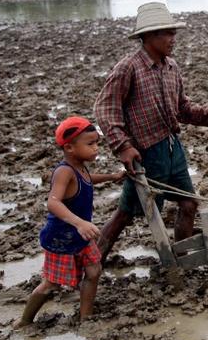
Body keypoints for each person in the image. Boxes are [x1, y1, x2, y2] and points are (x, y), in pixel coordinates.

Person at [94, 2, 208, 262]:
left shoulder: (171, 67)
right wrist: (122, 146)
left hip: (173, 149)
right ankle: (90, 263)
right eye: (166, 34)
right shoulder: (128, 68)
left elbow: (182, 108)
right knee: (125, 214)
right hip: (147, 155)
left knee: (189, 204)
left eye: (174, 33)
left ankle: (183, 257)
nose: (173, 39)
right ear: (148, 36)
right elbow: (105, 108)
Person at [16, 117, 126, 327]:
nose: (96, 149)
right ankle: (24, 321)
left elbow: (87, 179)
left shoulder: (80, 167)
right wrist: (79, 223)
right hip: (62, 237)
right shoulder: (64, 171)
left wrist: (112, 177)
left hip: (81, 236)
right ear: (69, 147)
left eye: (96, 143)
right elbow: (53, 203)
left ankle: (86, 318)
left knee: (94, 272)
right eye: (90, 144)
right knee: (51, 285)